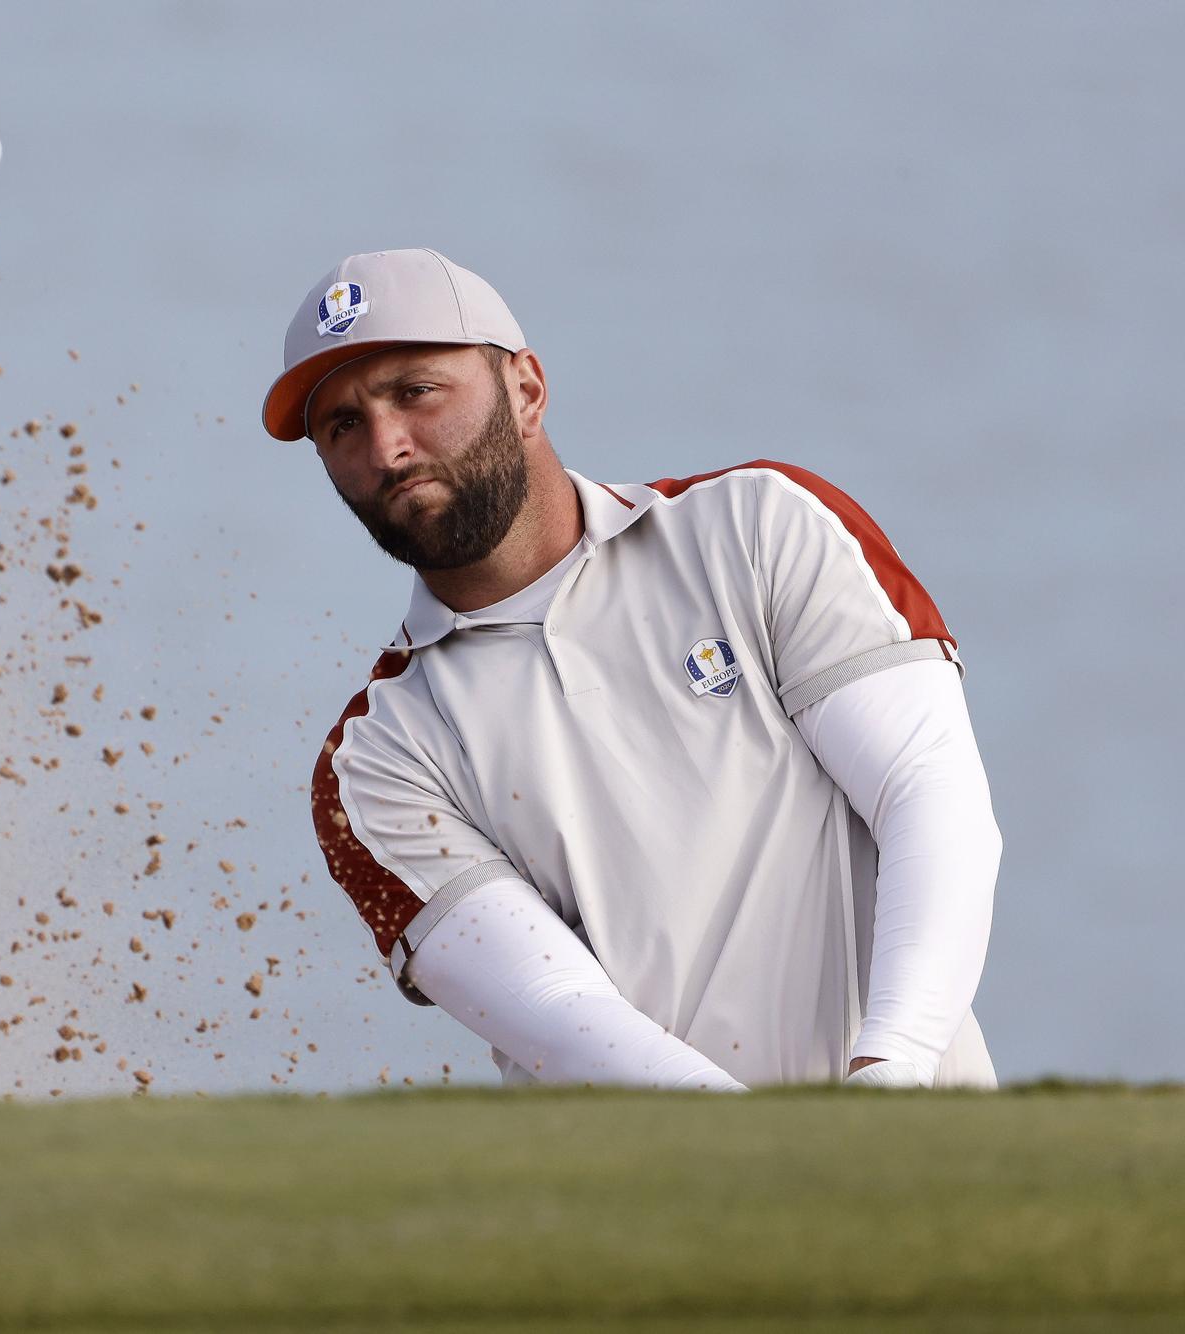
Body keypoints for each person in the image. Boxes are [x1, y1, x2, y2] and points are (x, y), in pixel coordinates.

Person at [265, 249, 1000, 1090]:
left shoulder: (761, 525)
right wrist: (788, 1158)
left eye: (416, 391)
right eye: (343, 426)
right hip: (663, 1206)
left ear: (526, 391)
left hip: (934, 1156)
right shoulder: (373, 762)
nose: (387, 447)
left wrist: (892, 1075)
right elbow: (556, 1010)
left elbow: (928, 795)